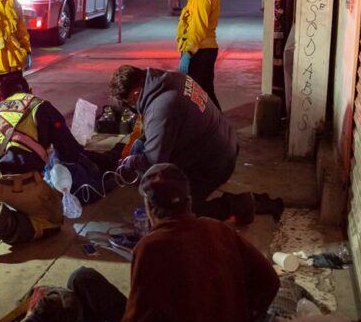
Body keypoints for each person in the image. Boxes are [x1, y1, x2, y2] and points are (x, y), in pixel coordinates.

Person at [69, 163, 280, 322]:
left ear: (149, 208)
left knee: (82, 279)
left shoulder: (151, 247)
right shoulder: (218, 228)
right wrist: (244, 321)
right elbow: (271, 282)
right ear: (189, 201)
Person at [110, 65, 263, 223]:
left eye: (129, 104)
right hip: (220, 143)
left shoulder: (160, 108)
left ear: (135, 94)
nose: (132, 109)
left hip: (216, 164)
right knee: (139, 146)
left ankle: (240, 205)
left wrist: (133, 162)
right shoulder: (172, 79)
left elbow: (153, 163)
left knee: (176, 214)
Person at [0, 92, 94, 259]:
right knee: (53, 220)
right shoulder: (43, 109)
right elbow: (69, 153)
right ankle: (9, 225)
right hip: (16, 183)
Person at [177, 0, 221, 109]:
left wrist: (188, 53)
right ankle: (215, 125)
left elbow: (197, 27)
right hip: (201, 49)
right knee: (202, 92)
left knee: (202, 94)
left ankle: (218, 125)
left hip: (200, 51)